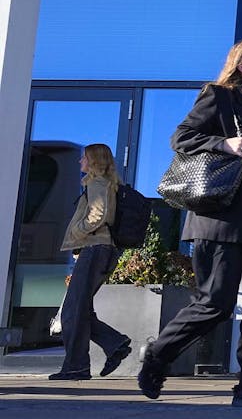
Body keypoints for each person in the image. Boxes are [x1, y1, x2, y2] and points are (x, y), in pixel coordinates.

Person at [138, 38, 242, 408]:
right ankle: (158, 355)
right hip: (222, 218)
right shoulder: (220, 96)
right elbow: (182, 138)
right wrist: (224, 145)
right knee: (215, 303)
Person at [49, 144, 131, 381]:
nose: (80, 162)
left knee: (72, 311)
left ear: (93, 161)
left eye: (83, 158)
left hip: (95, 249)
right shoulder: (107, 183)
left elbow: (98, 215)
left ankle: (76, 367)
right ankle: (114, 344)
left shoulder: (96, 183)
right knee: (80, 309)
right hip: (101, 250)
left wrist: (77, 231)